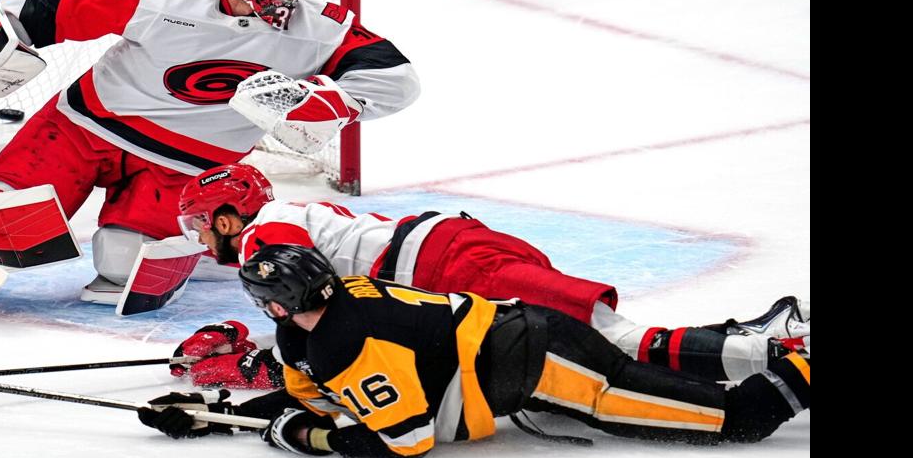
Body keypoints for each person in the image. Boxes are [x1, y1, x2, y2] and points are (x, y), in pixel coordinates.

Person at [0, 0, 420, 303]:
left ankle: (190, 241)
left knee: (123, 267)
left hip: (184, 167)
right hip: (82, 130)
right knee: (10, 226)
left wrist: (326, 101)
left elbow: (396, 79)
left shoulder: (321, 29)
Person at [163, 164, 809, 391]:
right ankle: (756, 339)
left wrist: (261, 365)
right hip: (459, 252)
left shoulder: (264, 233)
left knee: (611, 345)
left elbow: (311, 304)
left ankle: (776, 354)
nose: (199, 238)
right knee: (589, 347)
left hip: (455, 267)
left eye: (199, 224)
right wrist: (263, 341)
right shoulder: (291, 216)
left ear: (227, 216)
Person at [137, 245, 811, 458]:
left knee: (736, 420)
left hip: (548, 366)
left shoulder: (345, 340)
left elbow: (405, 441)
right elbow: (311, 394)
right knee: (647, 370)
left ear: (274, 305)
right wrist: (215, 414)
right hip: (526, 343)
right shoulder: (318, 323)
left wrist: (300, 438)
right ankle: (770, 345)